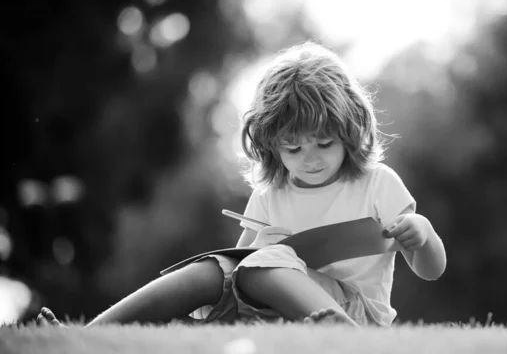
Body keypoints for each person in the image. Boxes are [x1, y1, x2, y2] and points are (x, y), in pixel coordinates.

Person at [37, 41, 446, 328]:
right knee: (214, 271)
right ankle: (83, 337)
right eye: (293, 149)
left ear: (350, 131)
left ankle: (340, 335)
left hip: (359, 317)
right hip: (278, 312)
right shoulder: (270, 195)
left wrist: (422, 236)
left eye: (325, 143)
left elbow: (431, 271)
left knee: (263, 263)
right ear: (272, 147)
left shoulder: (376, 183)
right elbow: (242, 273)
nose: (312, 158)